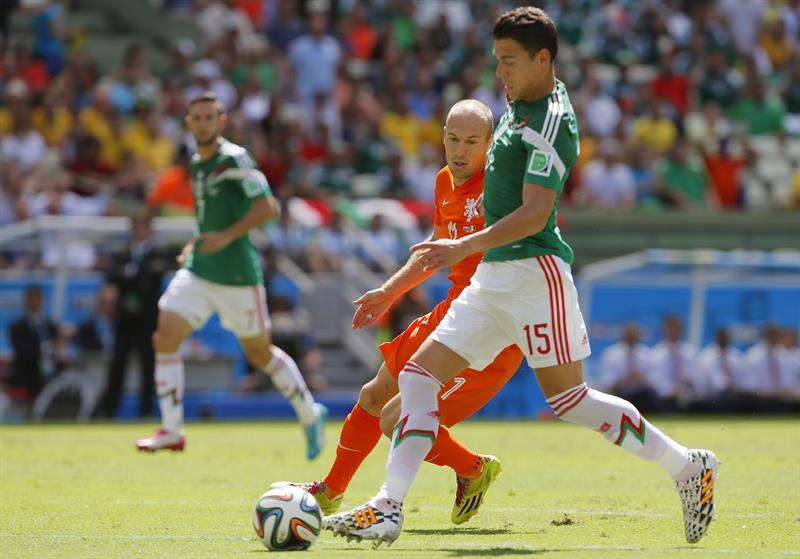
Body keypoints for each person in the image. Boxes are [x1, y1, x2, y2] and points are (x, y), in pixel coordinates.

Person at [324, 7, 719, 546]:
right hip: (492, 277)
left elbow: (535, 212)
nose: (500, 72)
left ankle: (687, 466)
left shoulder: (554, 120)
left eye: (509, 61)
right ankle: (389, 506)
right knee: (418, 376)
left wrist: (462, 244)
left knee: (570, 401)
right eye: (496, 60)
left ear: (543, 59)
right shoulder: (514, 103)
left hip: (536, 273)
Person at [272, 99, 523, 526]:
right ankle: (330, 492)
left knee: (396, 420)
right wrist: (389, 291)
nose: (459, 151)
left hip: (490, 332)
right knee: (373, 395)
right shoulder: (445, 181)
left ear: (490, 143)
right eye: (452, 139)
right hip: (453, 312)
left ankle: (473, 469)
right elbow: (437, 244)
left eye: (471, 142)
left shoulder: (501, 187)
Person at [136, 92, 327, 457]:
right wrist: (198, 242)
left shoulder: (234, 158)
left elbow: (267, 207)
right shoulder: (196, 164)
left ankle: (308, 412)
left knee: (258, 353)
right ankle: (172, 430)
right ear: (188, 123)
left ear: (221, 121)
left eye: (211, 117)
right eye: (197, 117)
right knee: (164, 336)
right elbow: (212, 218)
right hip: (201, 270)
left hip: (238, 276)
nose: (204, 123)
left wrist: (224, 237)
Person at [95, 215, 171, 419]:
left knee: (148, 365)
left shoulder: (158, 252)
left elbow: (156, 274)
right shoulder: (121, 253)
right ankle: (110, 411)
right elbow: (113, 275)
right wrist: (138, 275)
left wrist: (131, 274)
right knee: (118, 364)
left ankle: (146, 410)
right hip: (124, 319)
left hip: (147, 319)